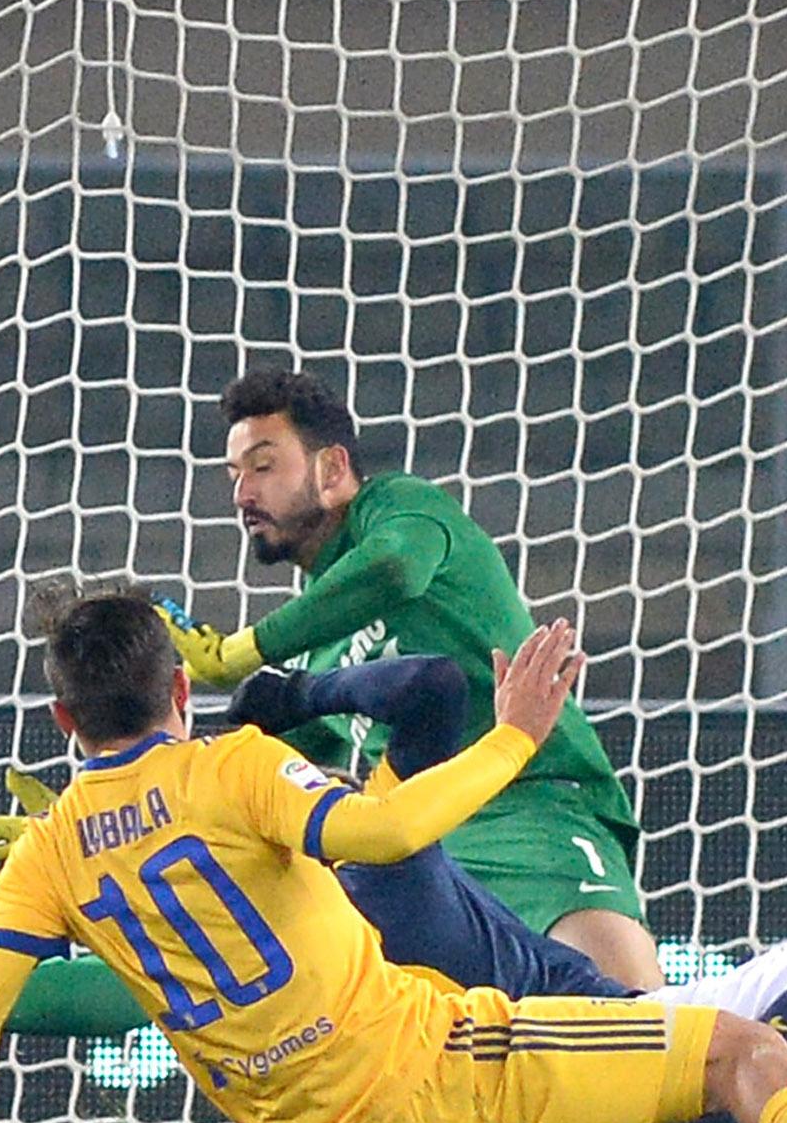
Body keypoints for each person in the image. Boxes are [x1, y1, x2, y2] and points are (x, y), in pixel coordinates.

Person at [0, 590, 787, 1123]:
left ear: (66, 724)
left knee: (686, 1068)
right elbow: (392, 827)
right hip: (432, 1073)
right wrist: (514, 734)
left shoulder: (51, 852)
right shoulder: (238, 769)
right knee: (734, 1048)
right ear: (180, 688)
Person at [158, 367, 667, 988]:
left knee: (632, 1009)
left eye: (263, 466)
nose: (242, 493)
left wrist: (241, 651)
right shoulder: (316, 651)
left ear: (332, 469)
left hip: (532, 805)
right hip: (420, 852)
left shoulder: (401, 508)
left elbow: (397, 567)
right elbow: (264, 768)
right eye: (234, 475)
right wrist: (143, 794)